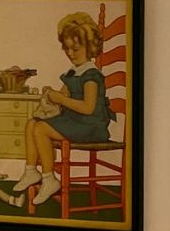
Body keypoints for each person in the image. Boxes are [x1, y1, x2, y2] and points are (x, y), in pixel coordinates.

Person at [10, 12, 111, 211]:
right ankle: (31, 170)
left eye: (76, 48)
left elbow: (88, 108)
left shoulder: (91, 76)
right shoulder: (72, 73)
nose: (71, 53)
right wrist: (51, 95)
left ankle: (49, 178)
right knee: (32, 123)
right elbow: (63, 96)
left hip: (91, 126)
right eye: (67, 49)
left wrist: (61, 99)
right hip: (76, 122)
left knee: (40, 129)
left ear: (90, 47)